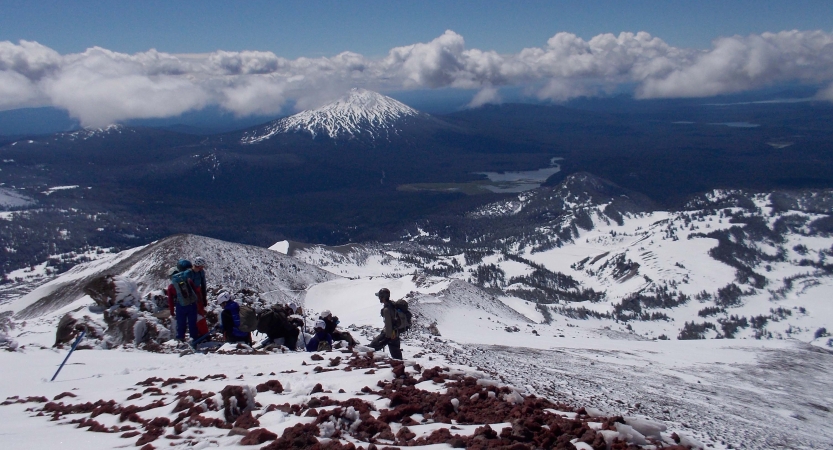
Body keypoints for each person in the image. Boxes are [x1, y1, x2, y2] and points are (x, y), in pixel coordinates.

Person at [166, 267, 200, 343]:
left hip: (180, 306)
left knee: (181, 324)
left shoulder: (171, 287)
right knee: (192, 323)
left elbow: (170, 301)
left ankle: (180, 339)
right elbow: (195, 291)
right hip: (192, 304)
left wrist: (172, 311)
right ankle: (194, 340)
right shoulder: (188, 280)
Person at [369, 288, 403, 359]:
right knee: (397, 356)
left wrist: (387, 337)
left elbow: (388, 324)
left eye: (380, 297)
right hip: (396, 334)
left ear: (383, 297)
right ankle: (401, 367)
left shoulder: (386, 309)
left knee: (372, 347)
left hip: (390, 334)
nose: (379, 298)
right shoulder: (392, 305)